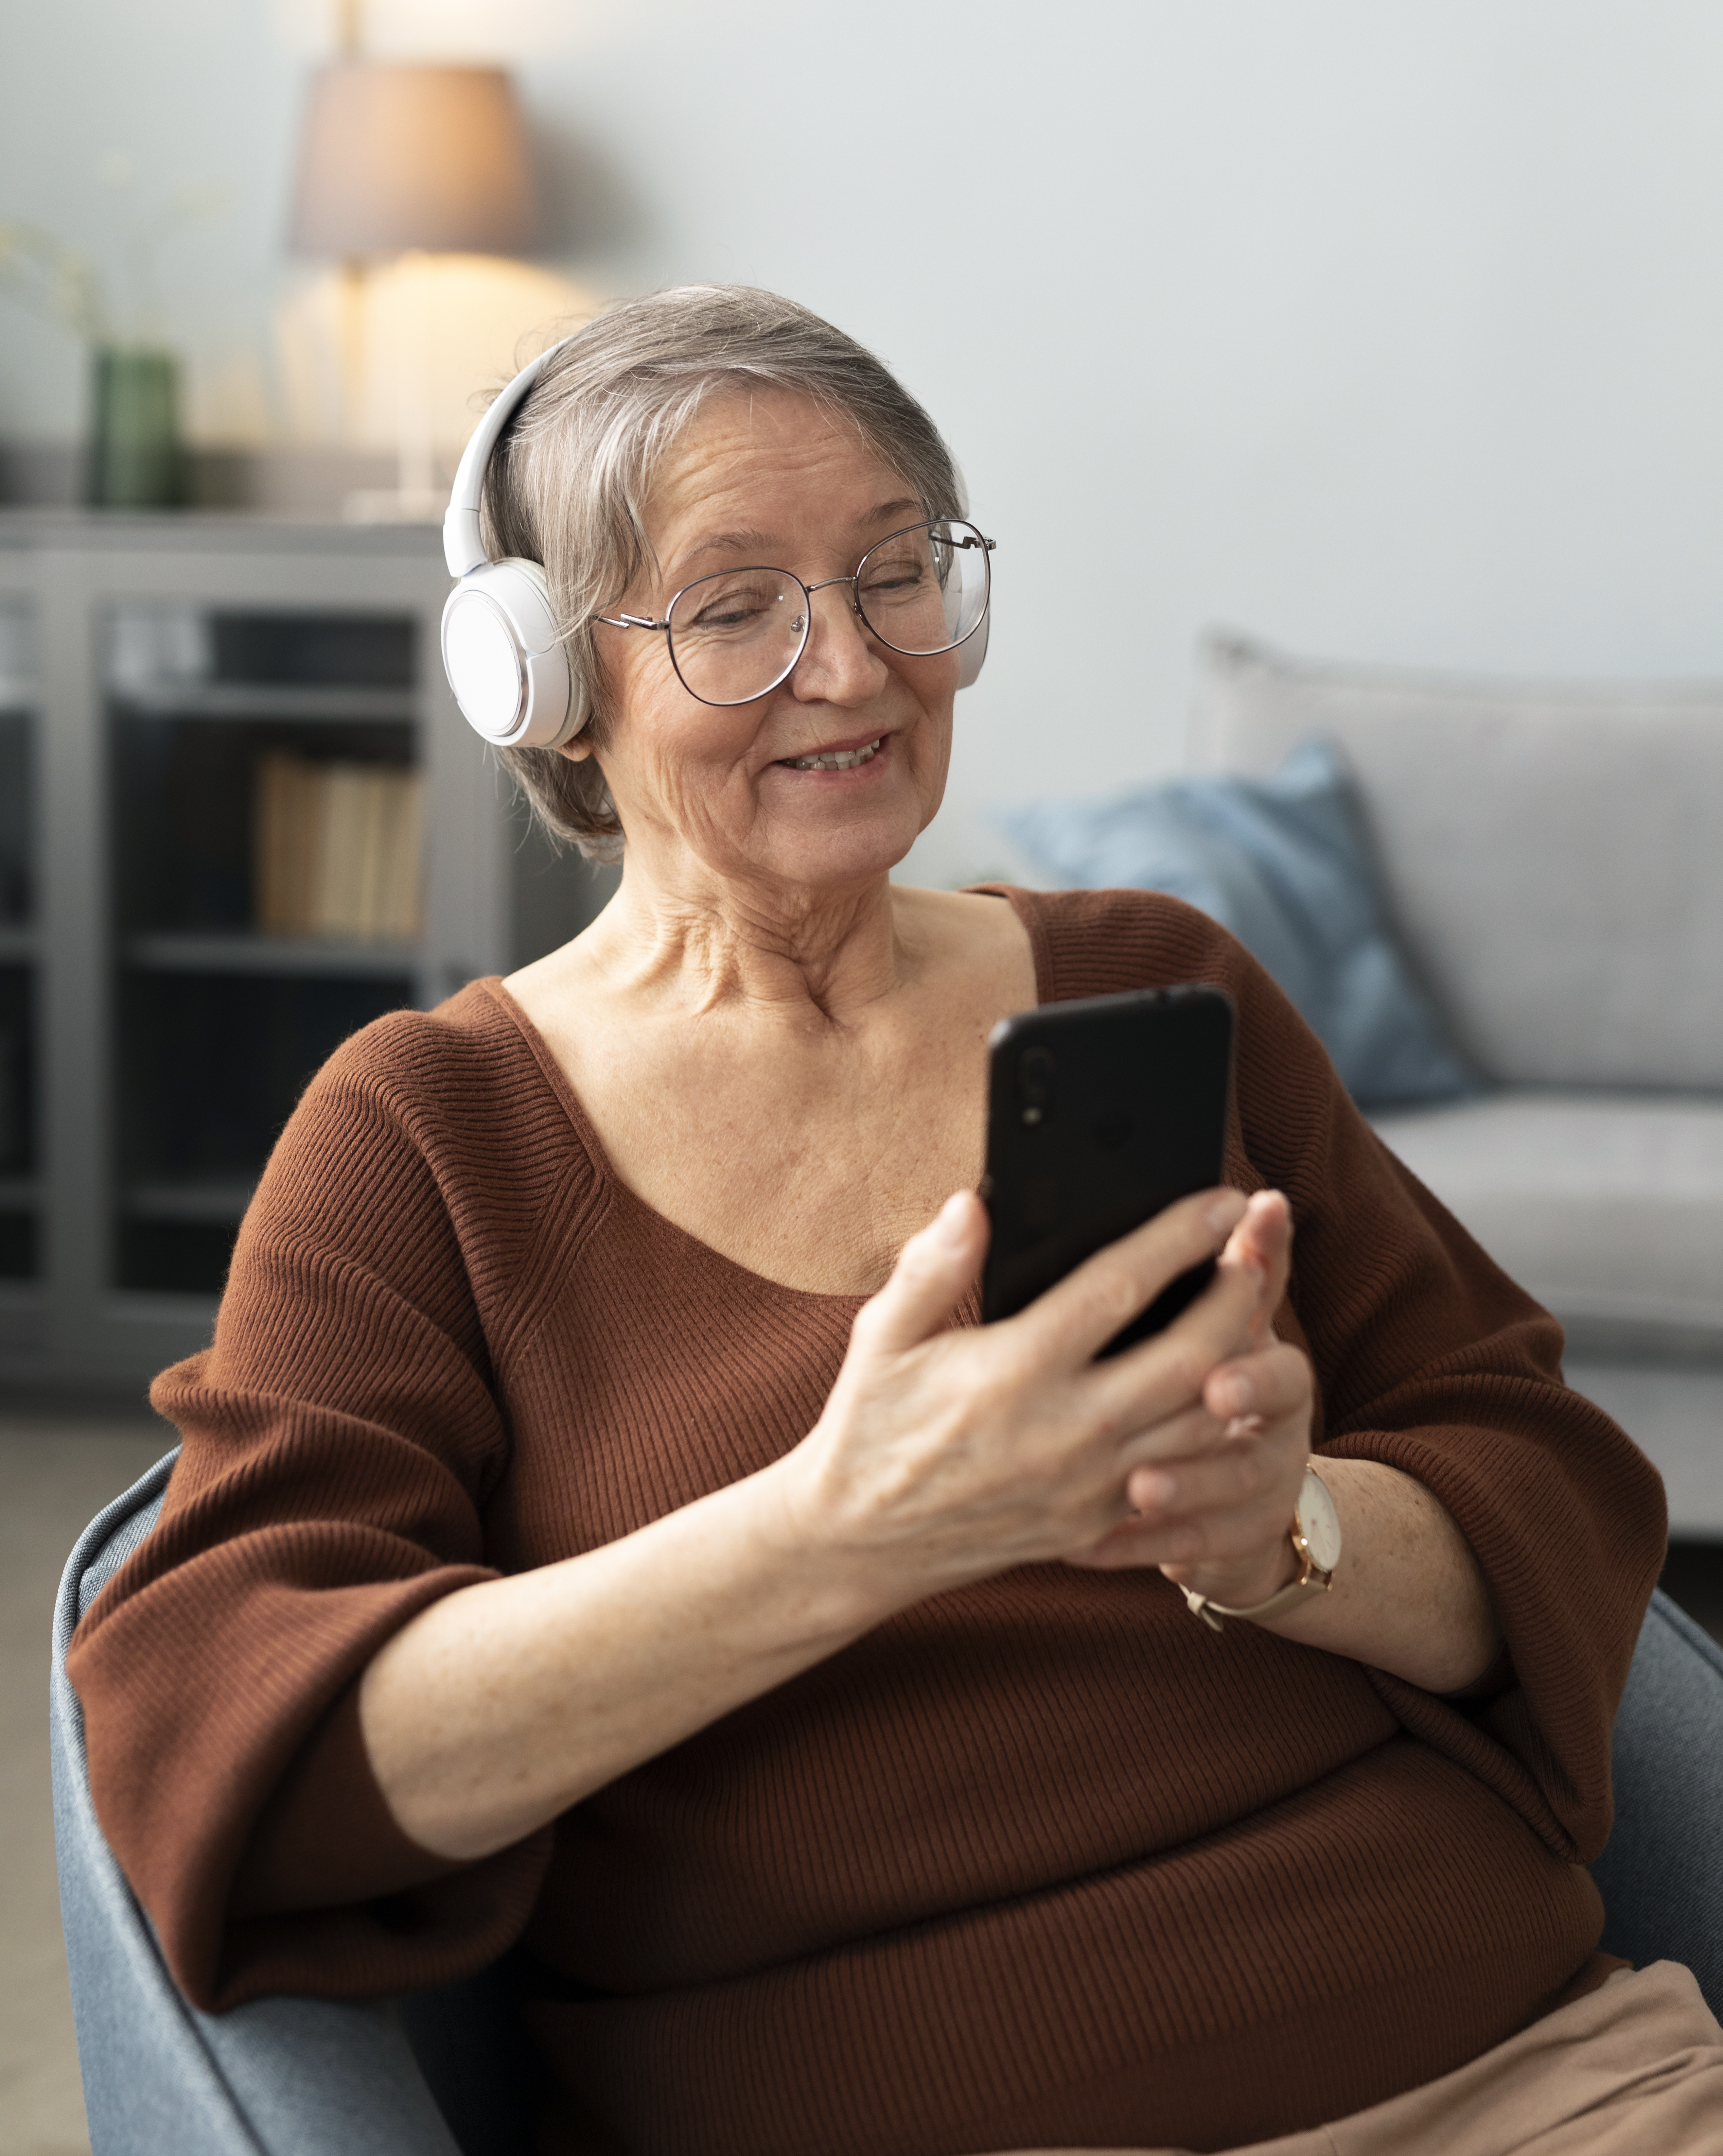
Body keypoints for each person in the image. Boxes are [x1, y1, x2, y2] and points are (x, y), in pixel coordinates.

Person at [71, 287, 1716, 2156]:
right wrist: (842, 1535)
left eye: (890, 573)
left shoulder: (1149, 985)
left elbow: (1540, 1482)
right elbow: (235, 1756)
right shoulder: (428, 1136)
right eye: (733, 606)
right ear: (537, 677)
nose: (849, 668)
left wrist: (1284, 1537)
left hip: (1524, 2074)